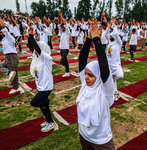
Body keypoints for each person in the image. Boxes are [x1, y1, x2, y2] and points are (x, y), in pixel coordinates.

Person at [77, 17, 115, 150]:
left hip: (101, 140)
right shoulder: (85, 84)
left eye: (91, 75)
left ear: (98, 77)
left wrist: (96, 39)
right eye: (86, 74)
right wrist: (88, 39)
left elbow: (103, 65)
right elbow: (82, 59)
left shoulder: (105, 90)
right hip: (84, 135)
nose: (86, 78)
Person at [28, 26, 54, 132]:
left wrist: (31, 36)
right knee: (44, 106)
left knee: (34, 102)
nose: (34, 51)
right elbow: (32, 47)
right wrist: (29, 37)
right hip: (41, 87)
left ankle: (46, 104)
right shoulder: (37, 58)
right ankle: (49, 122)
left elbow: (37, 48)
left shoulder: (46, 58)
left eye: (36, 49)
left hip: (46, 87)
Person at [0, 9, 24, 94]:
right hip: (8, 57)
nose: (0, 32)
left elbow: (3, 27)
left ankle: (16, 88)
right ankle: (15, 84)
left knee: (14, 72)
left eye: (1, 31)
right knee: (0, 66)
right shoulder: (4, 39)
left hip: (12, 56)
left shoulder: (9, 37)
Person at [107, 17, 124, 100]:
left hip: (116, 64)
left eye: (111, 34)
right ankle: (114, 93)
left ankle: (114, 93)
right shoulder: (109, 43)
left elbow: (116, 34)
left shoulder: (118, 43)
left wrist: (114, 25)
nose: (110, 35)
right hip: (109, 65)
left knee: (120, 75)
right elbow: (106, 33)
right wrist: (110, 25)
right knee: (112, 81)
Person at [58, 10, 71, 77]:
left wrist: (61, 16)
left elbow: (65, 23)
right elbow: (58, 24)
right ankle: (67, 72)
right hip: (61, 48)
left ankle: (67, 70)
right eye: (61, 27)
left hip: (66, 49)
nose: (62, 28)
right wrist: (59, 16)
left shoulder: (67, 32)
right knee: (65, 61)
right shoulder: (61, 33)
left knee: (62, 61)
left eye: (63, 27)